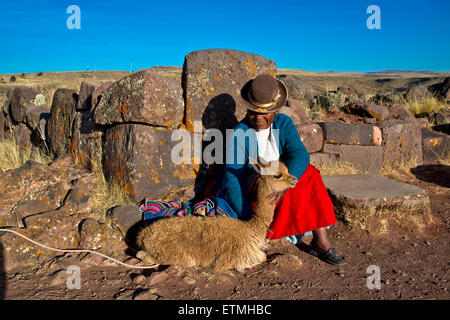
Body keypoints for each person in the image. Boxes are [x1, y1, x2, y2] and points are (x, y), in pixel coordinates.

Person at [218, 74, 347, 266]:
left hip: (281, 185)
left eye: (265, 113)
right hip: (260, 195)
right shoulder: (239, 133)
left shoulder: (283, 124)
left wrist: (285, 185)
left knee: (310, 174)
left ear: (276, 110)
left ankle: (320, 240)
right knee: (265, 182)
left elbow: (299, 154)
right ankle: (273, 230)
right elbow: (232, 178)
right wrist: (248, 221)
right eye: (253, 111)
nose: (258, 117)